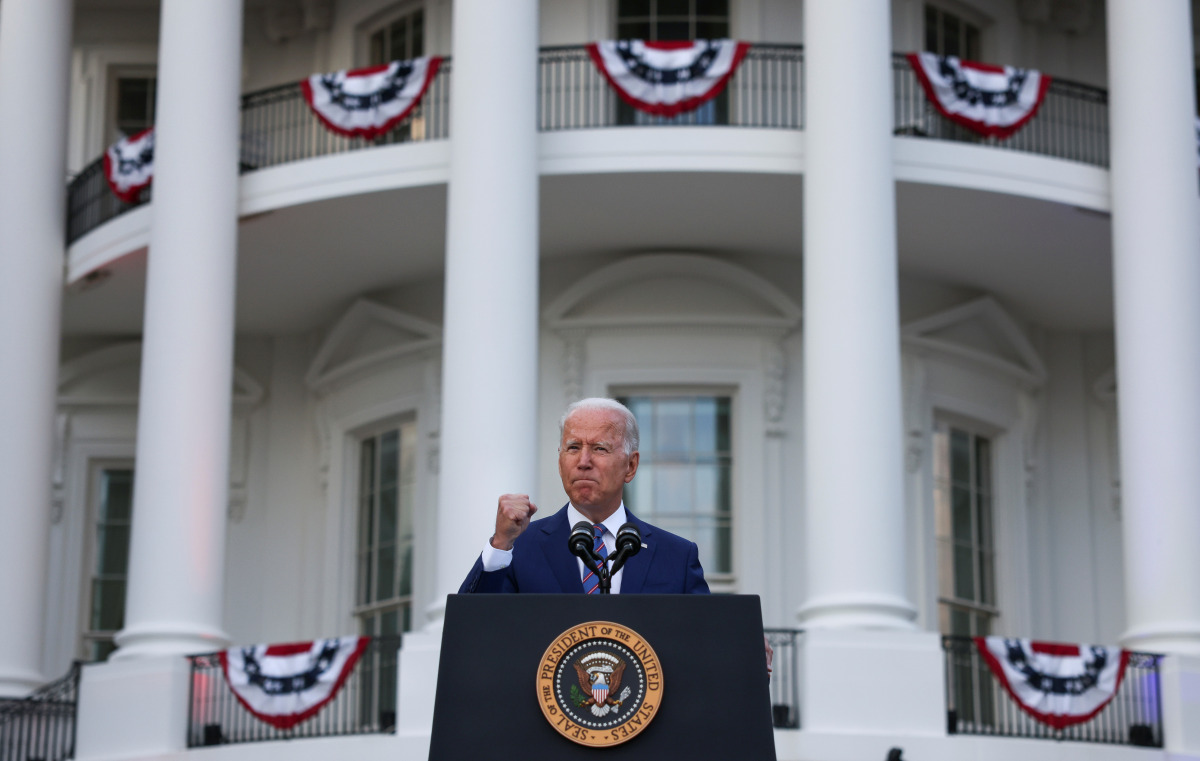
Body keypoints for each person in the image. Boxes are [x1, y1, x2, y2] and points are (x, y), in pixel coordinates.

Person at [458, 397, 709, 595]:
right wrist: (501, 544)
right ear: (560, 461)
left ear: (630, 466)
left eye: (600, 448)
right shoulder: (519, 548)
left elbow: (705, 645)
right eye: (573, 448)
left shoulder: (676, 557)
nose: (583, 461)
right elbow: (472, 633)